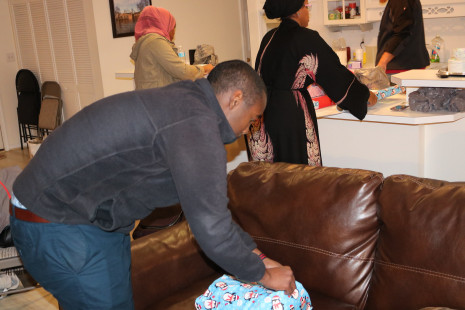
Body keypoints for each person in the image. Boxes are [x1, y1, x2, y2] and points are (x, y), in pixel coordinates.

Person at [10, 60, 295, 309]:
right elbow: (212, 229)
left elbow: (209, 210)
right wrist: (264, 275)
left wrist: (256, 256)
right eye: (252, 119)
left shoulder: (184, 103)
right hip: (58, 223)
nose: (248, 130)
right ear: (235, 99)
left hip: (69, 216)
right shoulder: (196, 127)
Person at [248, 0, 377, 165]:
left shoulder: (269, 37)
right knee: (298, 176)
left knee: (270, 178)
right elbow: (334, 74)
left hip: (263, 114)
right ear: (297, 11)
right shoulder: (306, 38)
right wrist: (364, 95)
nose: (308, 12)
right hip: (291, 116)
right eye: (306, 7)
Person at [130, 6, 214, 90]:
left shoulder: (146, 41)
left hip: (149, 96)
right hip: (157, 97)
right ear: (164, 24)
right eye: (173, 27)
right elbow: (181, 71)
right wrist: (204, 69)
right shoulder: (155, 41)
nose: (173, 32)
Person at [376, 0, 430, 73]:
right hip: (403, 66)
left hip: (400, 67)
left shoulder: (400, 1)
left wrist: (382, 63)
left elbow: (402, 34)